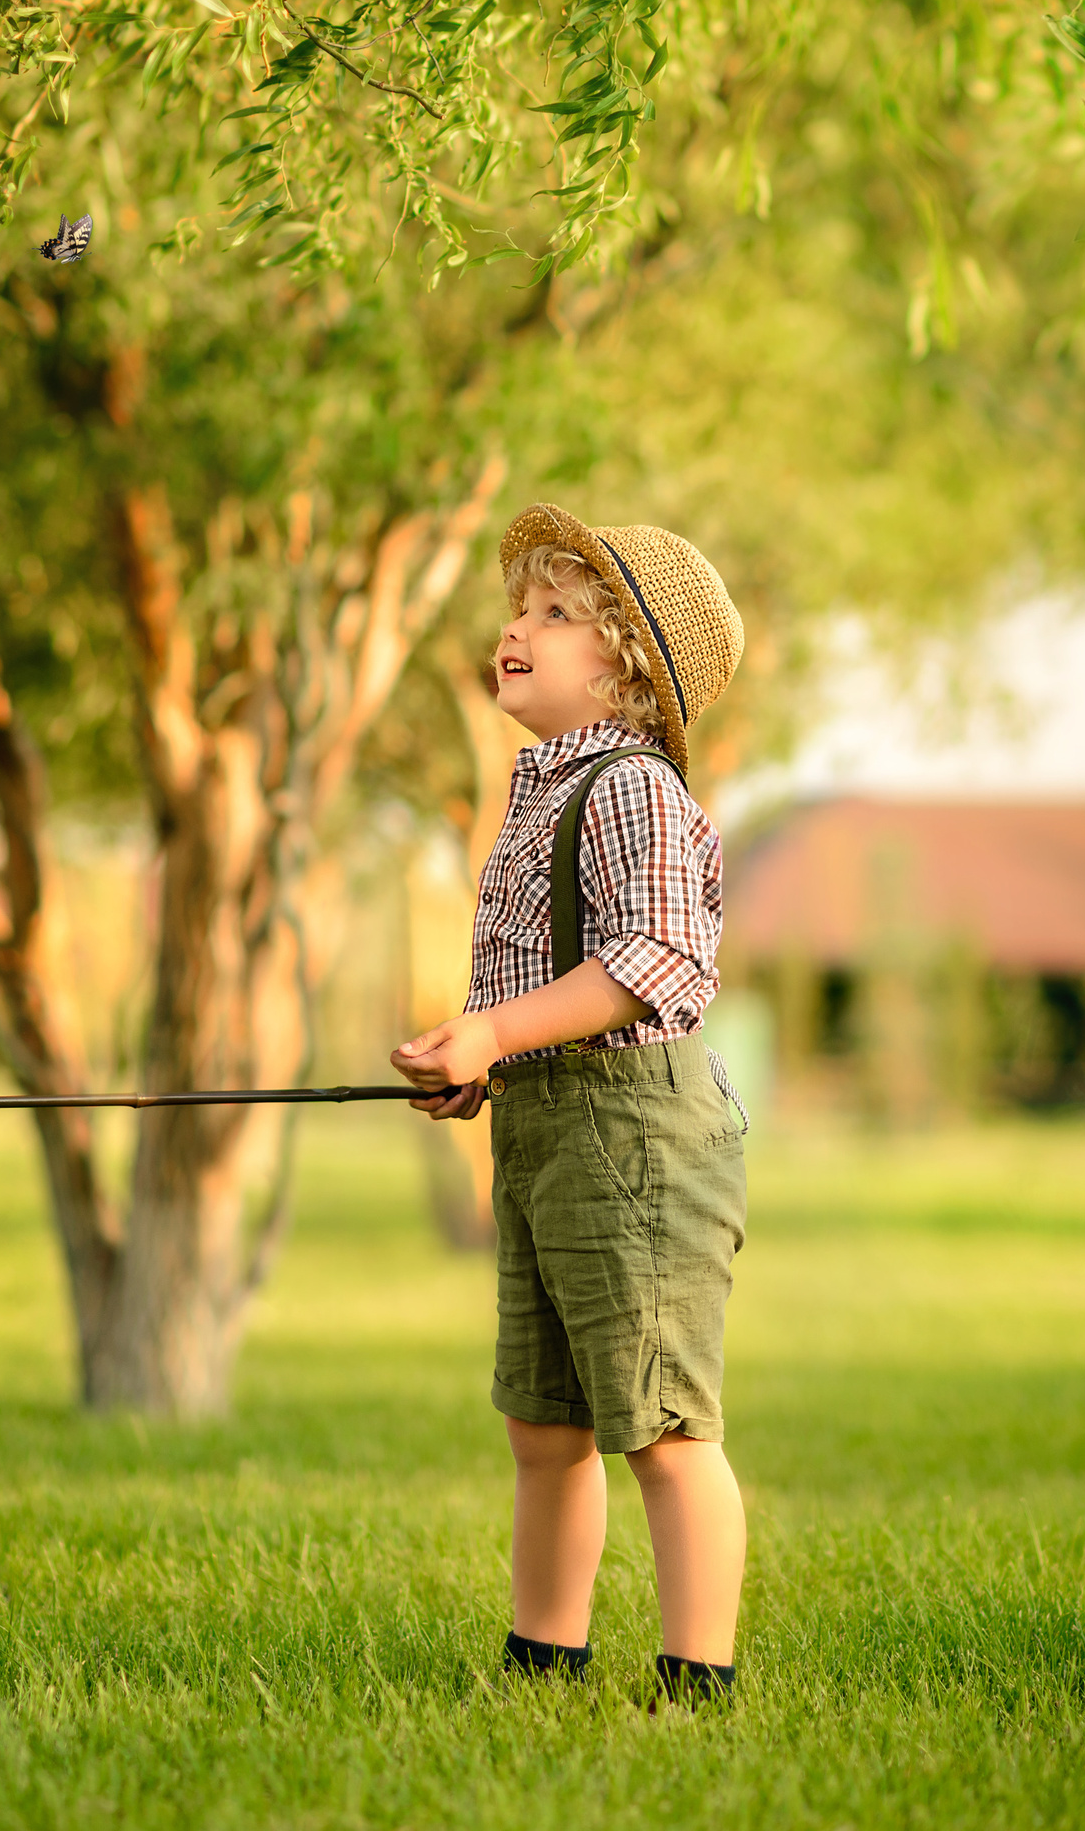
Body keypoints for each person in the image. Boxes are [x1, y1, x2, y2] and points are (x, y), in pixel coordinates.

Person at [391, 502, 750, 1708]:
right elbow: (554, 984)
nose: (516, 627)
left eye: (556, 613)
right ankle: (543, 1660)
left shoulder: (632, 787)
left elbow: (654, 958)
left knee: (659, 1424)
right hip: (547, 1131)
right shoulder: (539, 790)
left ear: (628, 668)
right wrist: (485, 1061)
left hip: (636, 1139)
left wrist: (495, 1027)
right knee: (544, 1424)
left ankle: (697, 1677)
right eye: (520, 607)